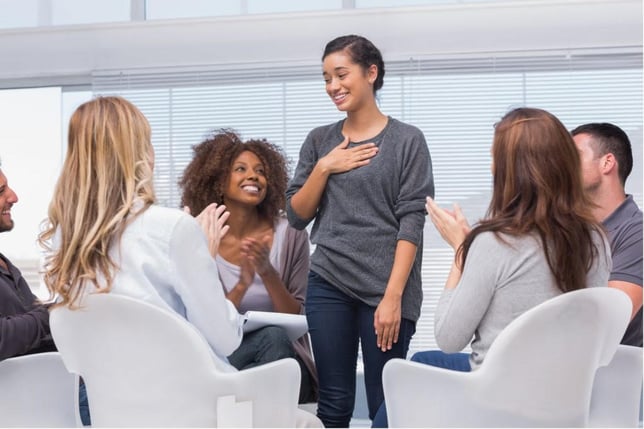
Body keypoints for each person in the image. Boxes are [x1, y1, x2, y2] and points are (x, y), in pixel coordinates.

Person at [371, 107, 612, 427]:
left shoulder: (496, 243)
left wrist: (462, 250)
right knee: (424, 362)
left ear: (514, 170)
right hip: (566, 404)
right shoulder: (596, 239)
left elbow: (448, 337)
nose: (490, 166)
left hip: (496, 403)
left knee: (409, 372)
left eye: (495, 157)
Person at [38, 97, 244, 424]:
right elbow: (225, 339)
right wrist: (205, 257)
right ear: (139, 154)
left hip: (106, 412)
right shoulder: (173, 228)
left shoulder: (64, 239)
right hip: (190, 407)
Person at [285, 34, 434, 427]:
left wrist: (393, 297)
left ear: (371, 73)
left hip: (387, 289)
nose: (332, 86)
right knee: (333, 403)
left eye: (340, 74)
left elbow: (411, 220)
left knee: (386, 404)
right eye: (325, 77)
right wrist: (325, 167)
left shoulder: (407, 140)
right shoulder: (320, 141)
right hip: (329, 280)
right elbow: (297, 215)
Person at [179, 129, 318, 404]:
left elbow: (298, 316)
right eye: (240, 169)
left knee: (275, 338)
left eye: (261, 171)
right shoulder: (200, 231)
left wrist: (267, 273)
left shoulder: (291, 234)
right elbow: (205, 321)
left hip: (286, 360)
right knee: (250, 379)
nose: (253, 176)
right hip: (224, 357)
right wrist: (241, 284)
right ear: (219, 181)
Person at [572, 122, 643, 347]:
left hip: (609, 373)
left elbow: (608, 321)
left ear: (607, 163)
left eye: (574, 156)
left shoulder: (637, 232)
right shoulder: (570, 230)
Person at [0, 158, 57, 361]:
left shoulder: (7, 267)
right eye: (1, 191)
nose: (13, 197)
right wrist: (52, 314)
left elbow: (35, 328)